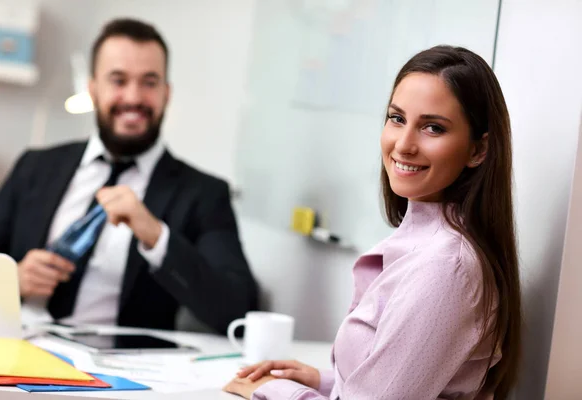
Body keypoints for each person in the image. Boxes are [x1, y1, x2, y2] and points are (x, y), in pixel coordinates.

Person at [224, 45, 522, 399]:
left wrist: (275, 391)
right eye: (397, 119)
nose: (404, 145)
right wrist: (323, 380)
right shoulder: (425, 245)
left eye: (433, 128)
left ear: (478, 150)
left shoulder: (446, 268)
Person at [0, 18, 258, 334]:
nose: (133, 98)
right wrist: (11, 279)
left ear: (166, 94)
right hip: (18, 344)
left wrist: (156, 236)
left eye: (149, 82)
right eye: (118, 80)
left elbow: (238, 310)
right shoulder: (35, 166)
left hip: (121, 373)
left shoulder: (204, 194)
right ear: (92, 89)